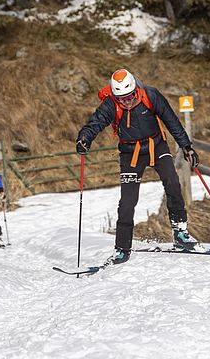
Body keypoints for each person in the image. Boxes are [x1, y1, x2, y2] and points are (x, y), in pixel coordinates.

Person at [75, 68, 199, 264]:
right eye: (121, 98)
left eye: (130, 96)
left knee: (173, 183)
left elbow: (171, 120)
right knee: (127, 201)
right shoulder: (110, 105)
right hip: (130, 152)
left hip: (156, 145)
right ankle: (122, 248)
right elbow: (94, 123)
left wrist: (186, 146)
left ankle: (181, 233)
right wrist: (84, 139)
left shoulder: (151, 95)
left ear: (136, 89)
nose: (126, 101)